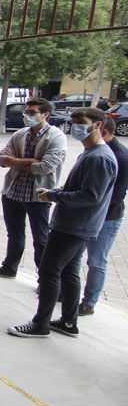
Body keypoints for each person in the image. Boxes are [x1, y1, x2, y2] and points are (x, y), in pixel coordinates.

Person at [8, 108, 118, 338]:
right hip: (76, 224)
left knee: (49, 270)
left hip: (74, 225)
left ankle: (41, 324)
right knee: (69, 272)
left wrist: (53, 196)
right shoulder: (91, 153)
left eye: (82, 122)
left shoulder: (99, 157)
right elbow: (82, 190)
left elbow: (90, 196)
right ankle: (68, 322)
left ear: (98, 125)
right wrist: (56, 191)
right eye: (74, 121)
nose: (76, 126)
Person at [0, 98, 67, 278]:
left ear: (45, 114)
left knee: (41, 239)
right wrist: (30, 162)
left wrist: (14, 162)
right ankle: (9, 267)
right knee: (14, 235)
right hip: (13, 193)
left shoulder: (56, 137)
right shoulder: (20, 134)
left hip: (38, 196)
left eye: (32, 113)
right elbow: (1, 159)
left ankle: (45, 278)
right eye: (26, 112)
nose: (27, 116)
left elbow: (46, 166)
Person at [79, 117, 128, 316]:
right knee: (72, 256)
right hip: (86, 214)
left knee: (96, 260)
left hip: (106, 217)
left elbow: (115, 195)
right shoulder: (93, 150)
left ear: (102, 130)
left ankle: (89, 303)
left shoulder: (120, 157)